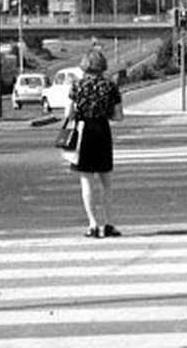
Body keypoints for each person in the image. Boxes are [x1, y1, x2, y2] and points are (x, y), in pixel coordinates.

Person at [65, 46, 124, 239]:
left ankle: (92, 225)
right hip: (102, 132)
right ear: (102, 66)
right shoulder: (110, 86)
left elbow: (68, 114)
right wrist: (104, 113)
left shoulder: (77, 86)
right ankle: (109, 224)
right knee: (106, 182)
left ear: (84, 66)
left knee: (86, 181)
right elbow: (118, 116)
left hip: (83, 132)